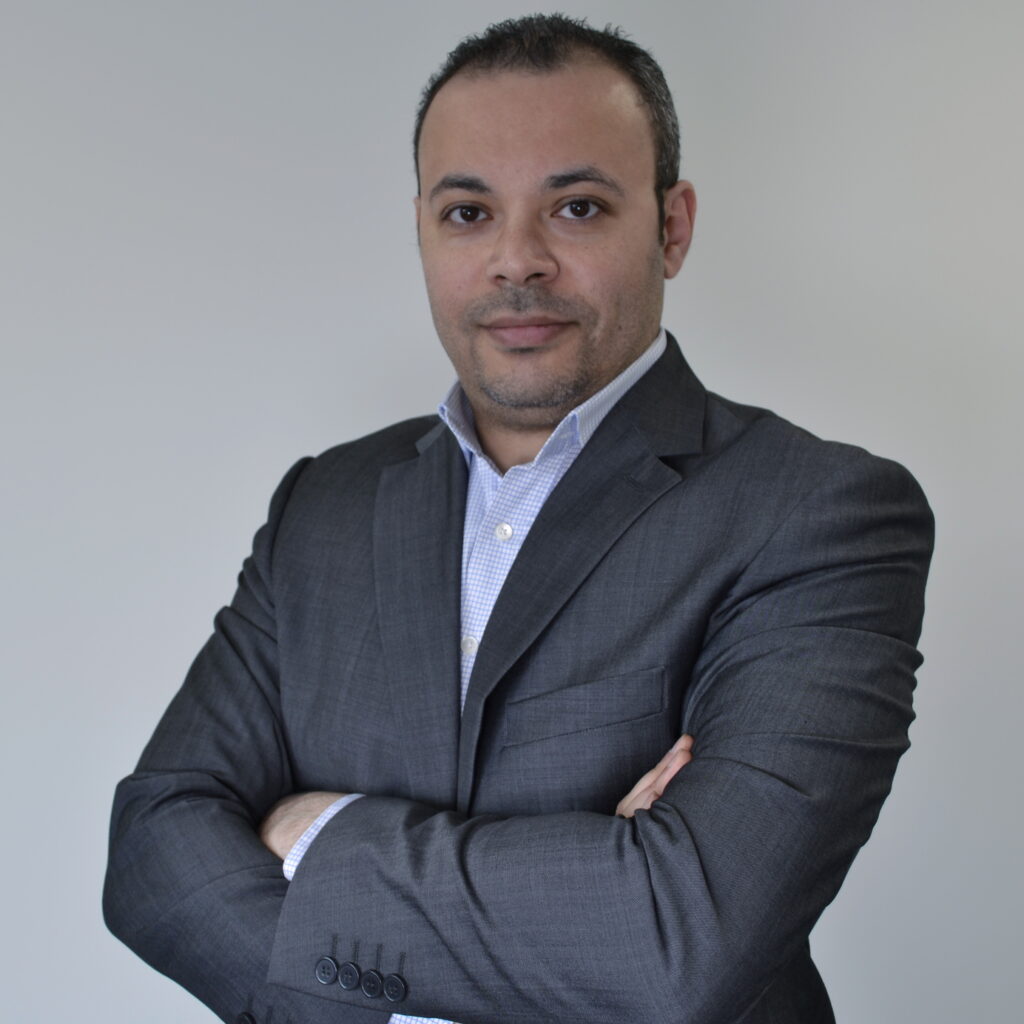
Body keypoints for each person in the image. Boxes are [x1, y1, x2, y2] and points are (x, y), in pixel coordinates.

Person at [103, 14, 933, 1024]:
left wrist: (318, 830)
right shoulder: (324, 505)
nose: (516, 260)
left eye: (576, 207)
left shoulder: (818, 512)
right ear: (421, 229)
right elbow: (154, 847)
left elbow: (681, 939)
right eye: (467, 213)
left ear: (671, 227)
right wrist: (586, 880)